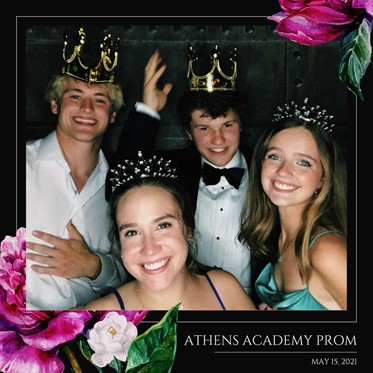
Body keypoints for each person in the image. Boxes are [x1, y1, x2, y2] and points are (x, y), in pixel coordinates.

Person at [112, 46, 266, 305]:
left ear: (241, 126)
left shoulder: (268, 171)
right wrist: (149, 110)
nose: (217, 138)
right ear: (188, 132)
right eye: (204, 127)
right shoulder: (173, 171)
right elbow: (122, 179)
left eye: (227, 125)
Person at [25, 27, 127, 310]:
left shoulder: (121, 186)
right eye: (75, 95)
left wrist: (93, 265)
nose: (86, 108)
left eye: (99, 99)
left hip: (89, 339)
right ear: (55, 104)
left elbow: (131, 270)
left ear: (113, 114)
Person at [84, 152, 257, 310]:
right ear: (119, 243)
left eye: (163, 225)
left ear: (188, 229)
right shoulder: (98, 317)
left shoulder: (224, 288)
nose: (149, 248)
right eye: (132, 233)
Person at [238, 98, 347, 310]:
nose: (283, 171)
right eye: (275, 156)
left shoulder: (327, 250)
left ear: (324, 178)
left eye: (303, 162)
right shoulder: (277, 237)